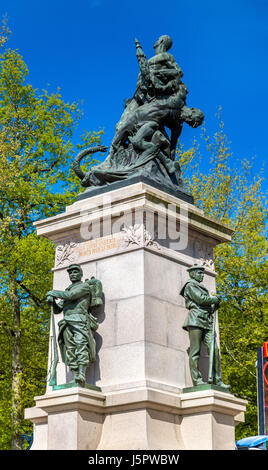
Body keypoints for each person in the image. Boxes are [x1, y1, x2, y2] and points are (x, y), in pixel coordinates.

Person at [46, 264, 101, 387]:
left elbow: (72, 296)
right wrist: (52, 302)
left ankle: (82, 373)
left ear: (81, 274)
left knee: (81, 345)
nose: (73, 274)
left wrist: (53, 292)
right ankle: (76, 375)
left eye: (75, 272)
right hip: (66, 323)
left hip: (80, 321)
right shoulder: (67, 291)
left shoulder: (84, 287)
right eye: (70, 273)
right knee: (70, 350)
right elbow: (57, 309)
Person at [180, 264, 230, 390]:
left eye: (203, 273)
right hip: (195, 320)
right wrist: (213, 299)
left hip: (206, 321)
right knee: (195, 351)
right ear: (192, 274)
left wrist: (214, 304)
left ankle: (217, 380)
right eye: (199, 273)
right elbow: (200, 299)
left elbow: (207, 304)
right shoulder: (190, 285)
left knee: (215, 350)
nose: (202, 275)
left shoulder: (200, 286)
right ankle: (197, 380)